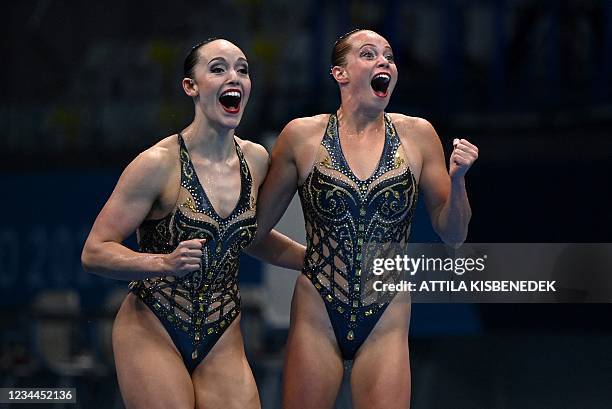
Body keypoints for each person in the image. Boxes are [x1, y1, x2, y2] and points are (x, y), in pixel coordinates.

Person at [255, 29, 479, 408]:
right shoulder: (301, 136)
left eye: (389, 56)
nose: (384, 62)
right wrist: (308, 258)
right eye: (369, 54)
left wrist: (458, 182)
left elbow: (454, 234)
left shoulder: (419, 135)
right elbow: (254, 232)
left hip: (386, 311)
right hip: (317, 310)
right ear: (340, 73)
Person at [81, 38, 304, 409]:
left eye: (242, 69)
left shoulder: (257, 160)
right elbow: (94, 252)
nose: (234, 76)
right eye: (218, 68)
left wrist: (313, 260)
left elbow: (247, 237)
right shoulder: (157, 164)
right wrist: (163, 263)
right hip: (152, 324)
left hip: (222, 332)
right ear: (191, 86)